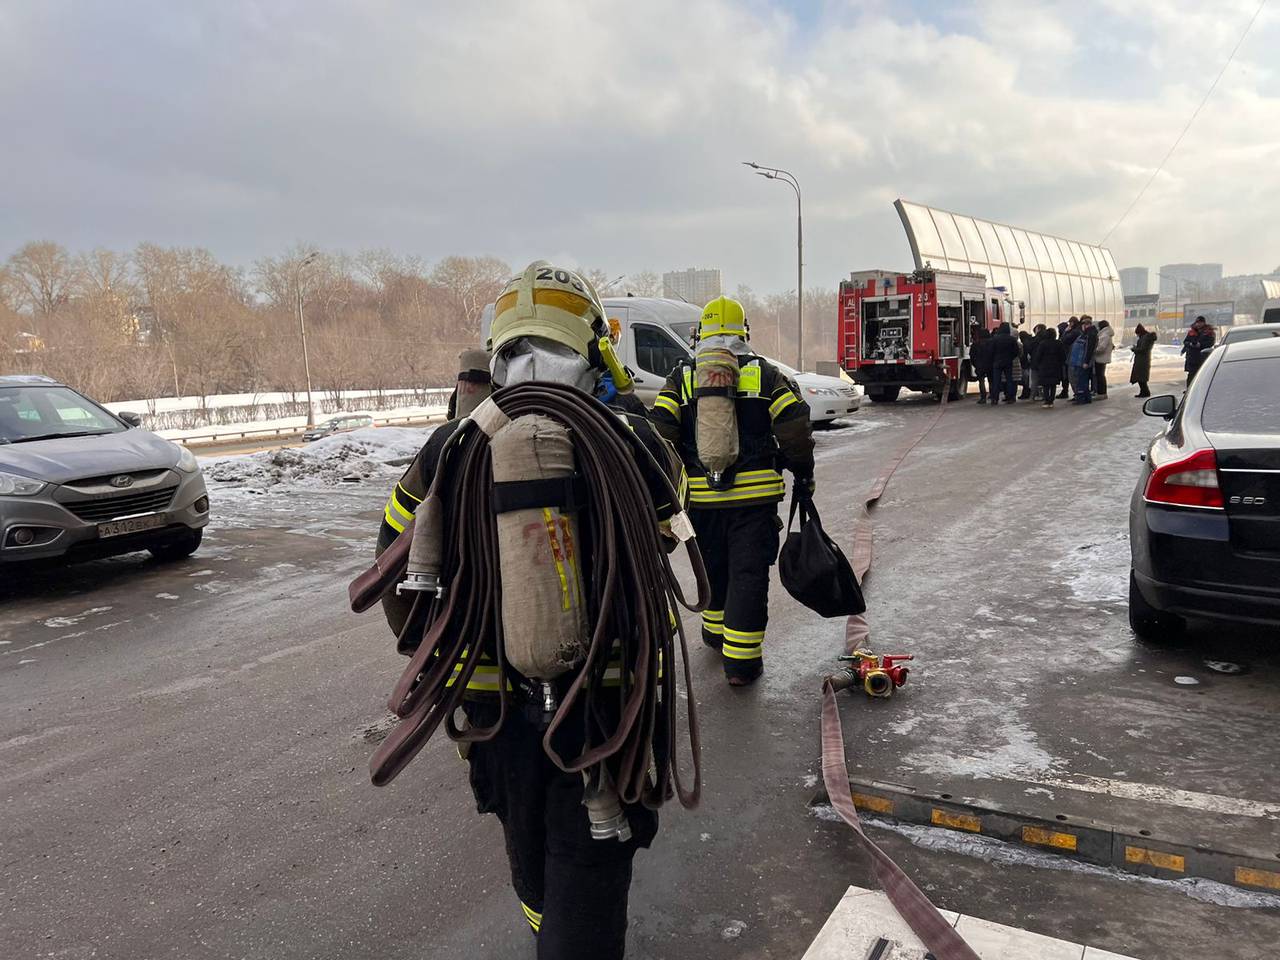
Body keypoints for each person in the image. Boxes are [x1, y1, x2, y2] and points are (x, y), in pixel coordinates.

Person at [375, 261, 687, 959]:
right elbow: (672, 513)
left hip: (494, 721)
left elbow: (394, 572)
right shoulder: (626, 442)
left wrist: (453, 662)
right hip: (608, 718)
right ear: (594, 346)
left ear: (498, 351)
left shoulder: (450, 448)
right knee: (590, 874)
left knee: (532, 861)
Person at [651, 295, 814, 687]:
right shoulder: (766, 375)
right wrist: (803, 474)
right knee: (748, 574)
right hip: (754, 503)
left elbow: (660, 434)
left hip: (701, 502)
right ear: (744, 332)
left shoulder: (683, 376)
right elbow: (794, 428)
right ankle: (741, 665)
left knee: (713, 567)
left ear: (700, 333)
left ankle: (714, 635)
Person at [1032, 326, 1065, 408]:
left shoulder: (1043, 343)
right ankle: (1051, 400)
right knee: (1053, 384)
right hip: (1055, 366)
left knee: (1045, 385)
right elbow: (1062, 356)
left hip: (1044, 366)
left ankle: (1047, 401)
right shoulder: (1059, 343)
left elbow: (1038, 356)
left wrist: (1038, 364)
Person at [989, 321, 1019, 405]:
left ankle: (994, 399)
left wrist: (994, 358)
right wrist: (1010, 357)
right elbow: (1016, 351)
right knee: (1009, 380)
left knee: (996, 380)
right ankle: (1010, 397)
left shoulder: (995, 338)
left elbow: (991, 351)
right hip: (1008, 362)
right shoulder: (1012, 339)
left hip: (997, 362)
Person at [1068, 316, 1097, 404]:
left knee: (1081, 380)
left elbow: (1089, 349)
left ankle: (1081, 399)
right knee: (1082, 380)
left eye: (1083, 325)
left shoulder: (1090, 335)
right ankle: (1086, 398)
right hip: (1080, 360)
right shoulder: (1087, 334)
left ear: (1086, 325)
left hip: (1082, 361)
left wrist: (1086, 362)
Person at [1181, 316, 1216, 385]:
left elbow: (1211, 343)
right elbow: (1185, 342)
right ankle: (1189, 390)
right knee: (1191, 375)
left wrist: (1200, 345)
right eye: (1197, 322)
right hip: (1192, 358)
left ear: (1204, 323)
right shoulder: (1192, 331)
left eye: (1200, 322)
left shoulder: (1208, 332)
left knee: (1203, 375)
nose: (1198, 324)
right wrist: (1190, 344)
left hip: (1203, 357)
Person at [1129, 323, 1158, 397]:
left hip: (1142, 360)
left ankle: (1145, 392)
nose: (1137, 335)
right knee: (1141, 377)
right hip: (1142, 359)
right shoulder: (1145, 337)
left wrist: (1135, 349)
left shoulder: (1145, 338)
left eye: (1137, 333)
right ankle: (1143, 392)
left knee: (1141, 377)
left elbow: (1143, 349)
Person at [970, 327, 994, 404]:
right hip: (990, 365)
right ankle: (993, 397)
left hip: (980, 365)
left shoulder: (975, 344)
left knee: (981, 382)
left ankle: (983, 398)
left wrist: (976, 364)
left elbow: (972, 356)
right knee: (991, 381)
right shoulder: (992, 343)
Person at [1059, 317, 1080, 399]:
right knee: (1070, 376)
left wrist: (1065, 332)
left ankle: (1077, 394)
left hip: (1070, 356)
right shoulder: (1077, 331)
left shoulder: (1074, 332)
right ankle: (1077, 394)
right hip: (1071, 356)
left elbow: (1064, 340)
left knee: (1071, 376)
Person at [1092, 320, 1114, 399]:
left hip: (1101, 358)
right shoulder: (1106, 334)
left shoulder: (1105, 335)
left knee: (1100, 376)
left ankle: (1102, 393)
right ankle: (1101, 392)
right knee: (1100, 376)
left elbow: (1101, 347)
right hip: (1102, 357)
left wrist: (1094, 350)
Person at [1017, 329, 1036, 399]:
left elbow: (1024, 355)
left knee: (1026, 380)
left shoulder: (1025, 343)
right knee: (1028, 380)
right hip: (1029, 363)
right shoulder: (1029, 341)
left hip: (1026, 364)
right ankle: (1027, 393)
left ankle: (1025, 393)